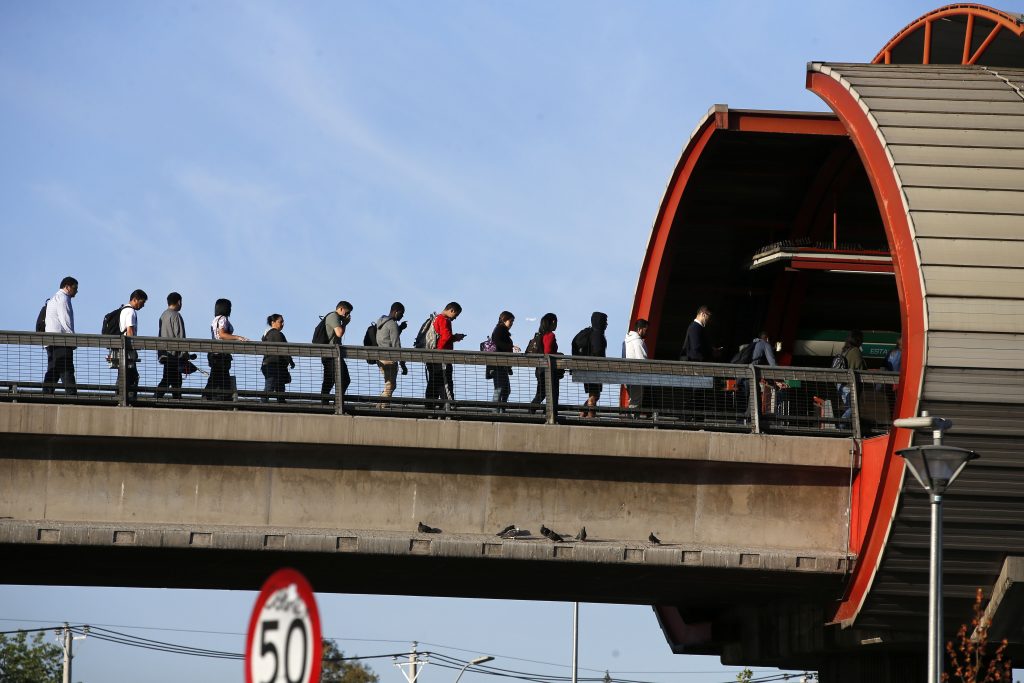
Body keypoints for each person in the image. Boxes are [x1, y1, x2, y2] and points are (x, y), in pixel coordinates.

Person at [42, 276, 79, 395]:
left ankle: (45, 395)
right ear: (67, 287)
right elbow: (66, 320)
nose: (76, 291)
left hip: (50, 342)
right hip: (61, 341)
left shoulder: (54, 299)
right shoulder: (63, 299)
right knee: (67, 370)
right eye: (75, 288)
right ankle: (73, 398)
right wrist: (72, 340)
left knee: (54, 370)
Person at [205, 298, 248, 400]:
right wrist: (238, 337)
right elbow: (222, 334)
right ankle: (222, 399)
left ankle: (208, 396)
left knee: (215, 377)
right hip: (221, 354)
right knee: (222, 378)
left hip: (214, 352)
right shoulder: (223, 319)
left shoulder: (215, 319)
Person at [426, 302, 465, 411]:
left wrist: (454, 338)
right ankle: (448, 407)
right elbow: (446, 337)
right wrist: (454, 338)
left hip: (432, 356)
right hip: (441, 357)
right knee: (446, 382)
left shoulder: (436, 318)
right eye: (456, 315)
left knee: (434, 382)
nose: (455, 318)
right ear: (451, 310)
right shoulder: (444, 319)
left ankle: (429, 408)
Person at [374, 302, 408, 409]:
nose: (402, 316)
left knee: (390, 384)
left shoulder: (381, 321)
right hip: (389, 358)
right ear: (396, 311)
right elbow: (396, 345)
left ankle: (382, 404)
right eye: (401, 314)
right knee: (390, 385)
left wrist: (400, 329)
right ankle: (382, 407)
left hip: (380, 357)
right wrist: (403, 364)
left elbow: (386, 338)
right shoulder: (392, 324)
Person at [118, 289, 149, 402]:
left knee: (123, 375)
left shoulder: (123, 310)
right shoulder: (130, 312)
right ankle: (129, 399)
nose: (143, 305)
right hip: (128, 350)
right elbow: (130, 331)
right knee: (131, 376)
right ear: (135, 299)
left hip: (122, 349)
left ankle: (120, 396)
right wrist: (133, 349)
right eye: (142, 302)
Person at [156, 292, 187, 399]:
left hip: (165, 354)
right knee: (173, 381)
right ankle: (157, 398)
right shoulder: (176, 315)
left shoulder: (163, 315)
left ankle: (159, 398)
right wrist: (185, 355)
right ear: (179, 302)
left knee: (171, 379)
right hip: (175, 356)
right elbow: (180, 336)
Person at [321, 301, 353, 406]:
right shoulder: (333, 316)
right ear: (341, 309)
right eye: (347, 313)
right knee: (334, 379)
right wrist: (345, 324)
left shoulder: (336, 318)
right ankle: (329, 402)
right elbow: (339, 333)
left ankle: (332, 402)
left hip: (333, 354)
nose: (347, 315)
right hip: (331, 354)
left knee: (334, 379)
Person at [580, 312, 608, 417]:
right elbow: (597, 351)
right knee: (594, 395)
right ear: (599, 322)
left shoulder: (592, 333)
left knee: (594, 395)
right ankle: (591, 416)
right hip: (594, 370)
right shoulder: (597, 335)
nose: (606, 324)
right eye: (605, 321)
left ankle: (583, 413)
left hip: (588, 369)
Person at [490, 311, 520, 411]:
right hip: (499, 363)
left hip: (501, 364)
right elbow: (498, 343)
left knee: (504, 389)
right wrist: (511, 346)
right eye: (510, 321)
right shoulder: (500, 330)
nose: (512, 324)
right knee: (500, 389)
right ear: (504, 320)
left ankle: (500, 409)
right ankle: (496, 411)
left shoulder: (500, 330)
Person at [530, 313, 560, 412]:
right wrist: (558, 355)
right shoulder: (550, 335)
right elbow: (547, 352)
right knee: (550, 392)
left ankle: (532, 411)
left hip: (539, 368)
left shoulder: (541, 334)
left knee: (541, 392)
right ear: (553, 322)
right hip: (547, 369)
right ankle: (544, 413)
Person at [261, 314, 294, 403]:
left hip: (269, 364)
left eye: (283, 322)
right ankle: (263, 404)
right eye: (280, 321)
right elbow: (284, 349)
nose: (282, 324)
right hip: (274, 365)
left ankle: (278, 403)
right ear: (273, 322)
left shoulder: (267, 334)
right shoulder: (276, 334)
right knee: (272, 386)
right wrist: (290, 361)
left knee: (277, 386)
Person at [836, 330, 867, 419]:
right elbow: (859, 367)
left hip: (841, 384)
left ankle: (846, 426)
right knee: (852, 408)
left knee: (850, 408)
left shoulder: (845, 350)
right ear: (858, 340)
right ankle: (841, 426)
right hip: (849, 385)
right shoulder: (855, 351)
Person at [623, 319, 649, 414]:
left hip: (627, 375)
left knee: (633, 400)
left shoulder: (627, 341)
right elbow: (642, 360)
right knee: (636, 401)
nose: (646, 332)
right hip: (636, 376)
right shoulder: (638, 341)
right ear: (639, 329)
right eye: (645, 330)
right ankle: (631, 422)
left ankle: (629, 419)